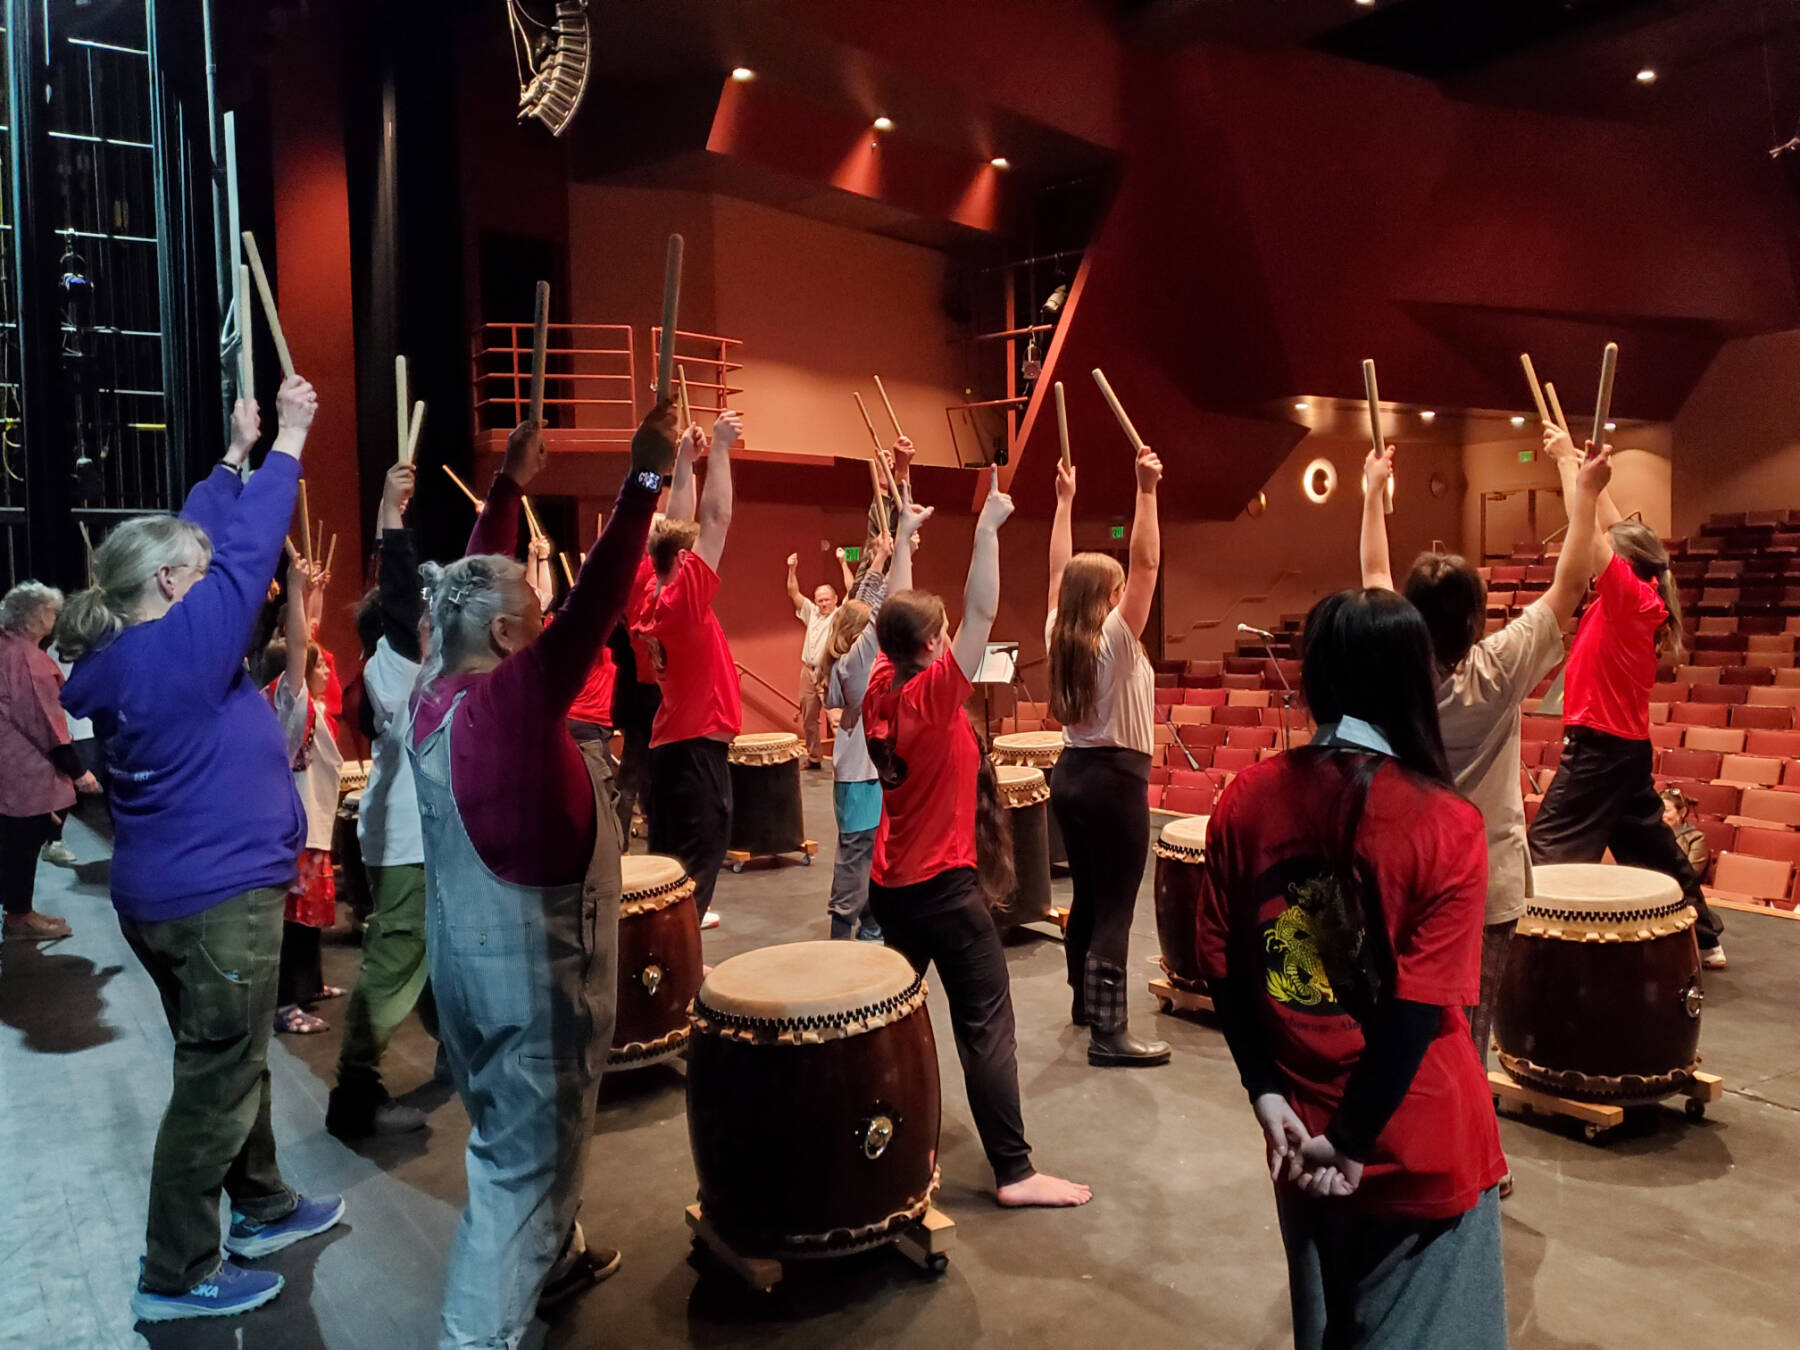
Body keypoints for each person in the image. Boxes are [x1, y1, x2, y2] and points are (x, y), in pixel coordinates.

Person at [57, 381, 344, 1323]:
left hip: (173, 898)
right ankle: (175, 1271)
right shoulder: (180, 649)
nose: (211, 570)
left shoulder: (140, 647)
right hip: (217, 899)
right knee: (213, 1084)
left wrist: (231, 456)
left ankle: (259, 1207)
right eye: (195, 568)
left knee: (226, 1060)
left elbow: (185, 542)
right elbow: (248, 549)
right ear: (173, 588)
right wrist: (291, 441)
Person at [409, 403, 672, 1347]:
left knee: (515, 1132)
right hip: (533, 977)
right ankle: (477, 1334)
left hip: (466, 971)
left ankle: (552, 1259)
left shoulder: (435, 685)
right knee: (520, 1166)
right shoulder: (511, 707)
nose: (548, 617)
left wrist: (511, 486)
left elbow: (471, 584)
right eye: (534, 613)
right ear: (516, 642)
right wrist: (646, 480)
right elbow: (595, 603)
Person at [1196, 589, 1507, 1350]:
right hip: (1412, 1152)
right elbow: (1414, 1013)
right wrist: (1356, 1139)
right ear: (1416, 680)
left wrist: (1267, 1095)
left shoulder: (1246, 800)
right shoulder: (1446, 824)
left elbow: (1227, 970)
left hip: (1299, 1139)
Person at [863, 471, 1090, 1209]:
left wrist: (903, 538)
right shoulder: (932, 695)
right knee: (987, 1028)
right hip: (945, 891)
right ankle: (1015, 1172)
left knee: (892, 1024)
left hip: (892, 887)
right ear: (932, 643)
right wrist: (986, 528)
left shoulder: (881, 690)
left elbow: (892, 617)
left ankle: (880, 1148)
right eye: (939, 631)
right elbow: (983, 610)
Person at [1359, 431, 1611, 1080]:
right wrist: (1583, 493)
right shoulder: (1497, 669)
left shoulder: (1393, 665)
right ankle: (1469, 1168)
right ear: (1475, 619)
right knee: (1470, 1031)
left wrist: (1371, 497)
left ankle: (1409, 1144)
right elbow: (1571, 582)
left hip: (1408, 870)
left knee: (1406, 1018)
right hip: (1483, 875)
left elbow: (1374, 578)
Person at [1527, 433, 1727, 969]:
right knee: (1651, 847)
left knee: (1548, 843)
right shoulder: (1642, 594)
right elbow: (1612, 528)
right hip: (1622, 746)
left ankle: (1540, 948)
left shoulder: (1632, 600)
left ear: (1626, 563)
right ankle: (1704, 932)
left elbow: (1590, 530)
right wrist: (1579, 463)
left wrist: (1571, 468)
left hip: (1600, 747)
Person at [1045, 445, 1170, 1067]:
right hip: (1116, 781)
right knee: (1117, 904)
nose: (1128, 594)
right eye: (1117, 591)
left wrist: (1064, 504)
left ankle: (1082, 1002)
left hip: (1069, 776)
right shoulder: (1114, 642)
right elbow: (1146, 563)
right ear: (1106, 597)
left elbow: (1055, 573)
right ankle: (1109, 1032)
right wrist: (1145, 489)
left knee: (1089, 896)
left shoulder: (1058, 631)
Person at [328, 462, 431, 1138]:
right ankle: (353, 1094)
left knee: (436, 948)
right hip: (404, 840)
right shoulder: (395, 661)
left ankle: (460, 1047)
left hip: (416, 836)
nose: (433, 619)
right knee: (394, 955)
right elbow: (396, 585)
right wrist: (390, 513)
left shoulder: (406, 664)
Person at [640, 411, 744, 928]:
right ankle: (675, 979)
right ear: (682, 561)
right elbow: (715, 522)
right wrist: (721, 450)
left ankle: (671, 966)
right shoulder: (682, 604)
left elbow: (675, 524)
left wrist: (683, 462)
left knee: (671, 873)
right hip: (698, 752)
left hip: (671, 750)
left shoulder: (645, 593)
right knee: (696, 873)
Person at [821, 521, 913, 940]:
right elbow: (876, 610)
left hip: (860, 776)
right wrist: (888, 558)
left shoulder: (845, 663)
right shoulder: (856, 666)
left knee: (873, 860)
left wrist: (881, 556)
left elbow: (863, 606)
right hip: (861, 779)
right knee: (856, 863)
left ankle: (871, 934)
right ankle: (844, 944)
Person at [1, 581, 98, 940]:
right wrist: (80, 771)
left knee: (16, 840)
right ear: (39, 616)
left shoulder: (6, 647)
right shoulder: (29, 661)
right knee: (21, 844)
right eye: (53, 614)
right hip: (21, 770)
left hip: (9, 767)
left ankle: (18, 910)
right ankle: (19, 915)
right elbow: (46, 725)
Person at [787, 546, 855, 767]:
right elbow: (793, 593)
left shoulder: (839, 615)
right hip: (808, 671)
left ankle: (844, 762)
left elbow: (852, 590)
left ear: (835, 599)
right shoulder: (812, 613)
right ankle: (815, 757)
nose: (823, 604)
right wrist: (792, 569)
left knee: (836, 719)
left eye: (827, 599)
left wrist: (844, 562)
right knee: (808, 718)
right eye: (820, 600)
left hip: (829, 671)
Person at [1661, 787, 1713, 883]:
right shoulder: (1650, 834)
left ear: (1682, 812)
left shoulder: (1697, 839)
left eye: (1666, 810)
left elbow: (1690, 875)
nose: (1661, 815)